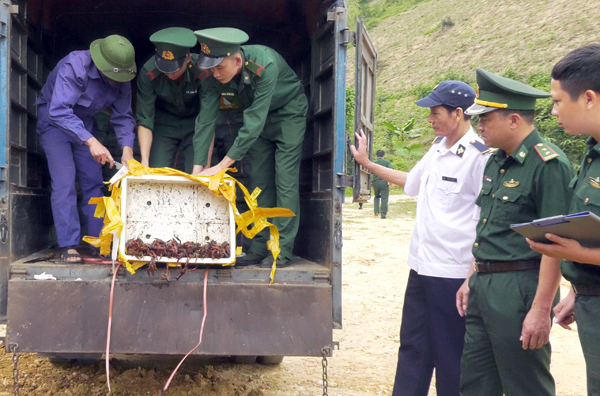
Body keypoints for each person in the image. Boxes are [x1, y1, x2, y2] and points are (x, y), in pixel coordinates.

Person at [352, 80, 488, 396]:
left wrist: (472, 275)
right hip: (421, 269)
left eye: (435, 113)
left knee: (450, 357)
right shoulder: (436, 149)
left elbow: (487, 222)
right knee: (412, 348)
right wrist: (368, 164)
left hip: (453, 276)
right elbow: (411, 183)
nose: (429, 119)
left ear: (457, 114)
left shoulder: (479, 157)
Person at [456, 68, 575, 396]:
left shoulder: (548, 165)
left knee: (525, 385)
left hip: (519, 289)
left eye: (486, 118)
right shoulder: (495, 161)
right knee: (475, 384)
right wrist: (471, 276)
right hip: (484, 285)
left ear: (513, 121)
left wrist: (541, 309)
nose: (479, 126)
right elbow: (487, 227)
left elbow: (554, 244)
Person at [192, 27, 308, 267]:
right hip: (256, 121)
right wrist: (198, 168)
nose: (214, 73)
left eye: (219, 67)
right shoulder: (215, 76)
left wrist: (221, 166)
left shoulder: (265, 64)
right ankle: (258, 246)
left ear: (237, 59)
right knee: (258, 181)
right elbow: (205, 121)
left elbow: (254, 121)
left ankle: (281, 249)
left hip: (287, 113)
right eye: (210, 67)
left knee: (284, 181)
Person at [526, 43, 600, 396]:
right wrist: (580, 287)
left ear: (588, 98)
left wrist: (577, 254)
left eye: (557, 101)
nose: (552, 111)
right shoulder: (592, 153)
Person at [35, 35, 136, 263]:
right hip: (54, 124)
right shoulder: (75, 65)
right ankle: (68, 244)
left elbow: (123, 116)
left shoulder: (123, 75)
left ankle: (97, 242)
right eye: (111, 78)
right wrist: (92, 142)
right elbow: (59, 111)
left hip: (84, 125)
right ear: (100, 64)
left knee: (93, 181)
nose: (115, 83)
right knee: (65, 181)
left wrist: (127, 150)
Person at [136, 27, 207, 173]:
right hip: (164, 123)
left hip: (196, 125)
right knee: (156, 171)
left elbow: (207, 118)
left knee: (197, 175)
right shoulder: (149, 73)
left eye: (174, 68)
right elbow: (145, 118)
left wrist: (201, 163)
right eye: (164, 68)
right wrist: (144, 160)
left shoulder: (201, 71)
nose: (169, 73)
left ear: (188, 59)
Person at [372, 149, 393, 219]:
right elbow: (391, 170)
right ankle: (383, 215)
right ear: (384, 156)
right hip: (384, 182)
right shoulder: (387, 162)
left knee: (376, 196)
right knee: (384, 198)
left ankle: (376, 211)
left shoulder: (373, 163)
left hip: (375, 182)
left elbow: (370, 172)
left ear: (376, 156)